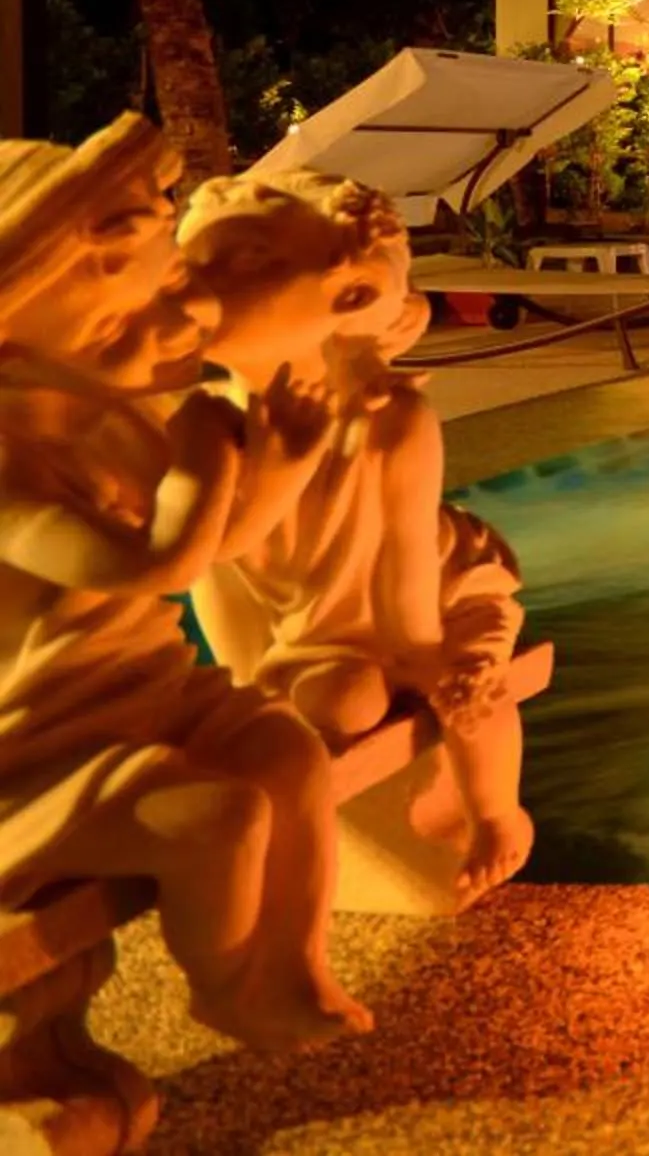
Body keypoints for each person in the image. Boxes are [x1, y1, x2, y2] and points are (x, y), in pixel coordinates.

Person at [0, 117, 368, 1048]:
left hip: (139, 696)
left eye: (163, 290)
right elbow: (149, 565)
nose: (178, 323)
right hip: (37, 748)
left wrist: (280, 466)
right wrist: (202, 461)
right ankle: (226, 986)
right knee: (221, 819)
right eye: (121, 322)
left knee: (289, 753)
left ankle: (288, 965)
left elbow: (217, 545)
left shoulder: (109, 417)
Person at [178, 170, 533, 907]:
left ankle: (499, 815)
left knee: (469, 688)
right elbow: (209, 570)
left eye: (239, 261)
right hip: (299, 633)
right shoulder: (211, 422)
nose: (193, 283)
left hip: (431, 595)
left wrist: (433, 667)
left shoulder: (390, 422)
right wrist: (249, 688)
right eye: (192, 260)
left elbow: (406, 584)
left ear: (348, 296)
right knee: (331, 705)